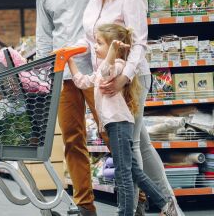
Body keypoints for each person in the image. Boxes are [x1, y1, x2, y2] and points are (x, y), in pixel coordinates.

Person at [78, 0, 184, 215]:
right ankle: (169, 206)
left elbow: (138, 44)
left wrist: (124, 77)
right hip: (107, 81)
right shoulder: (94, 0)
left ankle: (135, 209)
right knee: (143, 145)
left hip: (131, 77)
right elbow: (90, 40)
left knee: (131, 145)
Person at [67, 23, 178, 216]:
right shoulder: (104, 66)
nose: (95, 47)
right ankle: (165, 204)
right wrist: (69, 61)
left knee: (123, 174)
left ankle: (126, 212)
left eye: (99, 43)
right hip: (115, 125)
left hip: (119, 125)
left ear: (113, 48)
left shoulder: (118, 65)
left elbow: (105, 72)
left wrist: (111, 52)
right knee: (133, 171)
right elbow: (83, 81)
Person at [35, 0, 98, 215]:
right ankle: (85, 206)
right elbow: (44, 36)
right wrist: (45, 77)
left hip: (98, 69)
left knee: (113, 135)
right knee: (73, 140)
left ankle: (136, 196)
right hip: (64, 74)